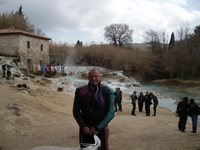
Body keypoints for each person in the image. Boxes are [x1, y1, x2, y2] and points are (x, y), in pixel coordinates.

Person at [73, 68, 115, 150]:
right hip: (85, 128)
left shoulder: (108, 90)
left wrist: (97, 127)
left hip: (101, 128)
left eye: (96, 76)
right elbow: (76, 110)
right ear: (88, 77)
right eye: (91, 76)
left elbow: (110, 112)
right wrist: (83, 126)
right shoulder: (80, 90)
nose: (94, 79)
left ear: (100, 77)